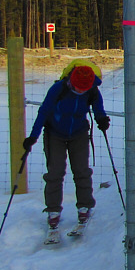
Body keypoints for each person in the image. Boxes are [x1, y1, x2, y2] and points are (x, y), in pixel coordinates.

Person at [23, 60, 109, 231]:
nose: (81, 91)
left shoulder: (92, 89)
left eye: (84, 89)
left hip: (79, 133)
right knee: (55, 172)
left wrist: (101, 119)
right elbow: (44, 112)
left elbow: (98, 107)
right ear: (72, 82)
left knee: (82, 171)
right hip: (54, 133)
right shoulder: (59, 88)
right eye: (78, 88)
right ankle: (53, 210)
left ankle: (85, 207)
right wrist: (33, 136)